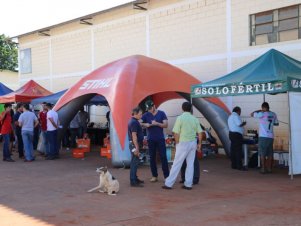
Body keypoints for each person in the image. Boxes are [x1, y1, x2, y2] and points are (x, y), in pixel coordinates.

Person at [163, 102, 203, 190]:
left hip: (183, 143)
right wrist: (199, 144)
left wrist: (177, 143)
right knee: (190, 164)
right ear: (191, 109)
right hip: (193, 143)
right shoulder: (195, 119)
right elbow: (200, 132)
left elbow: (176, 132)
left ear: (182, 108)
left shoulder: (180, 118)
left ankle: (169, 184)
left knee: (176, 164)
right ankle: (188, 184)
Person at [141, 100, 169, 182]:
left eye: (150, 108)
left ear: (154, 106)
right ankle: (154, 175)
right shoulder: (146, 115)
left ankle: (166, 176)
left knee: (163, 157)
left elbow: (166, 124)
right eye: (148, 109)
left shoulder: (161, 113)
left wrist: (157, 123)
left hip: (160, 138)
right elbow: (138, 122)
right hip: (151, 139)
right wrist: (144, 124)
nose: (149, 110)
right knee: (152, 157)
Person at [251, 102, 279, 174]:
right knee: (270, 153)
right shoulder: (273, 114)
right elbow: (277, 123)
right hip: (270, 136)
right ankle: (269, 168)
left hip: (263, 136)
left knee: (262, 153)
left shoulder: (261, 114)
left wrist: (259, 110)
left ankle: (263, 169)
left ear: (263, 108)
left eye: (262, 108)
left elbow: (251, 114)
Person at [128, 107, 144, 187]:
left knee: (135, 162)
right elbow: (134, 136)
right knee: (134, 163)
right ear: (135, 114)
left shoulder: (134, 121)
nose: (141, 116)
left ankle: (135, 178)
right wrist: (137, 148)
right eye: (140, 114)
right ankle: (133, 181)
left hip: (134, 144)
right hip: (134, 145)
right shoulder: (134, 122)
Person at [228, 106, 247, 171]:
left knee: (233, 150)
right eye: (240, 112)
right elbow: (239, 124)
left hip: (231, 134)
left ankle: (234, 165)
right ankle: (239, 166)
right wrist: (244, 123)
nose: (240, 113)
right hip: (237, 135)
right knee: (238, 150)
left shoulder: (230, 116)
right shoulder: (236, 116)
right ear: (238, 111)